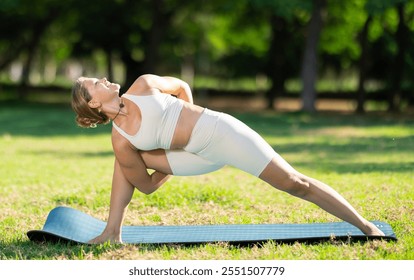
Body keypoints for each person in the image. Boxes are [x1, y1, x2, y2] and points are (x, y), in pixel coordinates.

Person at [71, 74, 385, 244]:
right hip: (191, 158)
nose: (105, 80)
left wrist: (191, 115)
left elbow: (182, 87)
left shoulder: (143, 85)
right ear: (94, 102)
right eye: (95, 83)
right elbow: (148, 186)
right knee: (123, 157)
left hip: (223, 134)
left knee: (295, 183)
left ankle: (365, 226)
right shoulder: (121, 140)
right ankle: (114, 232)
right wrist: (178, 154)